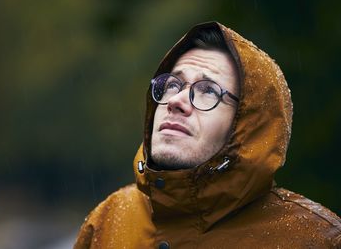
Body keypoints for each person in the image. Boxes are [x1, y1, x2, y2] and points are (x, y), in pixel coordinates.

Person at [73, 22, 341, 248]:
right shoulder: (110, 218)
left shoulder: (312, 238)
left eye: (208, 90)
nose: (176, 100)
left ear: (246, 125)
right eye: (172, 84)